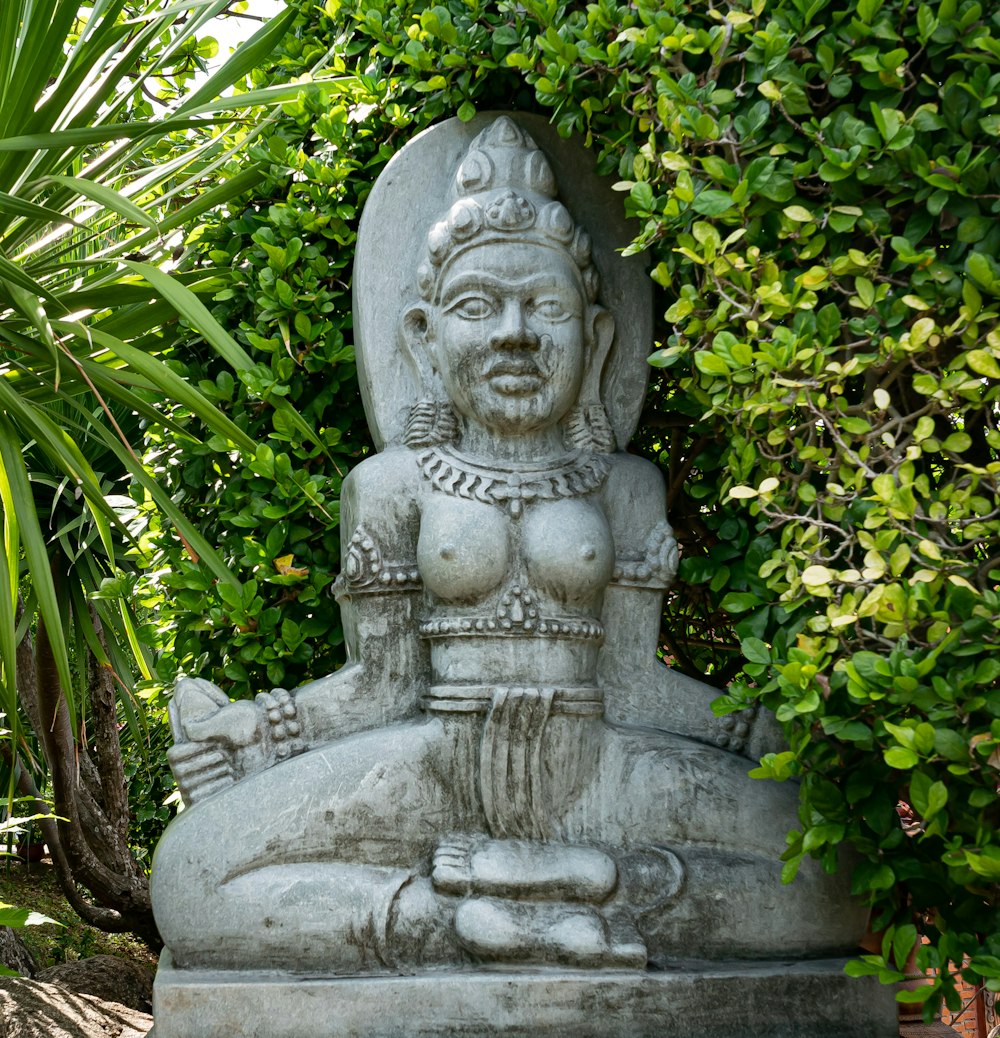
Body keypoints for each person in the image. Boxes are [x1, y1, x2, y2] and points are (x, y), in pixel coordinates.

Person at [151, 117, 864, 973]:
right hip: (430, 762)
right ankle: (475, 922)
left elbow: (637, 684)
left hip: (601, 760)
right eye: (477, 306)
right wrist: (251, 735)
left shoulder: (625, 487)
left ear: (596, 338)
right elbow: (381, 686)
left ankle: (591, 876)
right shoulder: (391, 487)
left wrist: (760, 732)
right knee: (190, 876)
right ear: (422, 337)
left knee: (836, 874)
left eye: (547, 306)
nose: (515, 334)